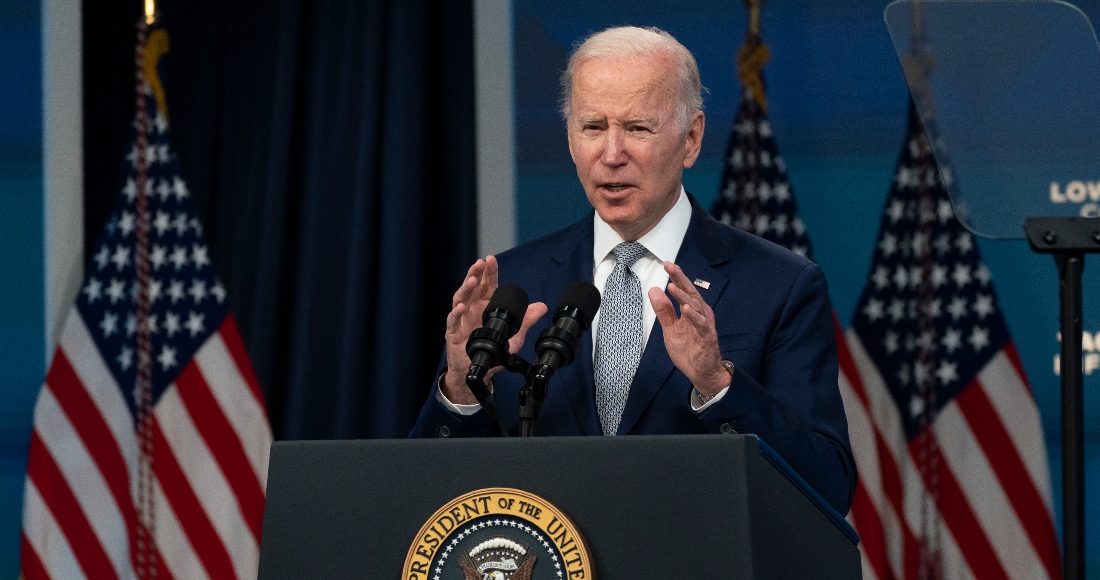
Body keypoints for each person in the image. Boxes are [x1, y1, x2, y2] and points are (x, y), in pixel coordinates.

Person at [409, 26, 855, 514]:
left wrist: (719, 386)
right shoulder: (514, 285)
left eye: (638, 128)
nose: (612, 154)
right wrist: (460, 388)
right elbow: (427, 496)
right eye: (592, 127)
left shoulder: (780, 285)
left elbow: (827, 485)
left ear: (691, 139)